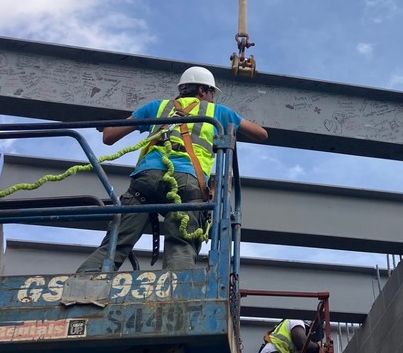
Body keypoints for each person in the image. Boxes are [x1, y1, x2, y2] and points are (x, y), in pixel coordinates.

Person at [77, 66, 267, 273]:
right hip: (188, 182)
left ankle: (84, 285)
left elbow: (109, 137)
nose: (212, 98)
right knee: (181, 247)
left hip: (146, 180)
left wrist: (110, 123)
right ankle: (176, 294)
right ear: (203, 91)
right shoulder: (217, 112)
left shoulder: (156, 107)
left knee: (116, 242)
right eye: (212, 93)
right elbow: (261, 134)